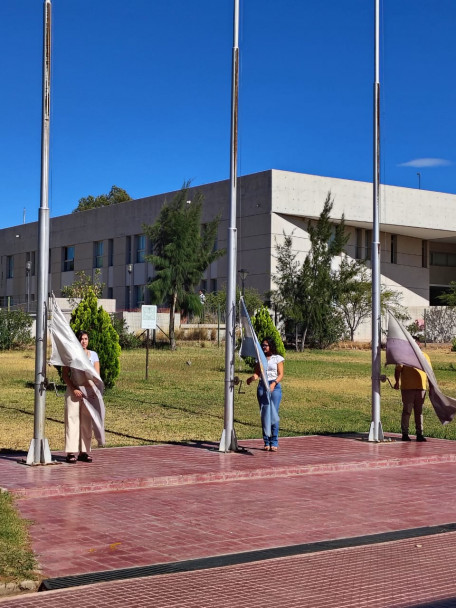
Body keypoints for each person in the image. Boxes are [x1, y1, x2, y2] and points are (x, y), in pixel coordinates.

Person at [62, 330, 101, 463]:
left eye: (85, 339)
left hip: (88, 392)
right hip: (73, 391)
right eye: (81, 339)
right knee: (72, 421)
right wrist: (74, 389)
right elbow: (65, 375)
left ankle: (84, 452)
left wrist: (93, 391)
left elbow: (96, 375)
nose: (83, 341)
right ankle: (70, 452)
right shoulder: (70, 355)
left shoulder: (93, 355)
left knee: (86, 422)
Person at [247, 337, 284, 451]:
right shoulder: (260, 358)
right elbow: (257, 373)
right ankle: (266, 442)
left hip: (274, 387)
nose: (264, 347)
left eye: (266, 345)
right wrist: (252, 378)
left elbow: (281, 374)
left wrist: (274, 383)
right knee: (264, 415)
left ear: (271, 346)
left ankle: (274, 441)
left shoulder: (277, 358)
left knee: (273, 414)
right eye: (262, 345)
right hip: (262, 386)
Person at [394, 335, 431, 442]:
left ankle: (420, 434)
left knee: (419, 412)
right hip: (407, 388)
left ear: (419, 344)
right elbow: (398, 370)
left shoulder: (425, 356)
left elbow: (429, 372)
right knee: (407, 411)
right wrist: (397, 382)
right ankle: (405, 433)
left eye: (416, 343)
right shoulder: (403, 356)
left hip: (421, 388)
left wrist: (431, 385)